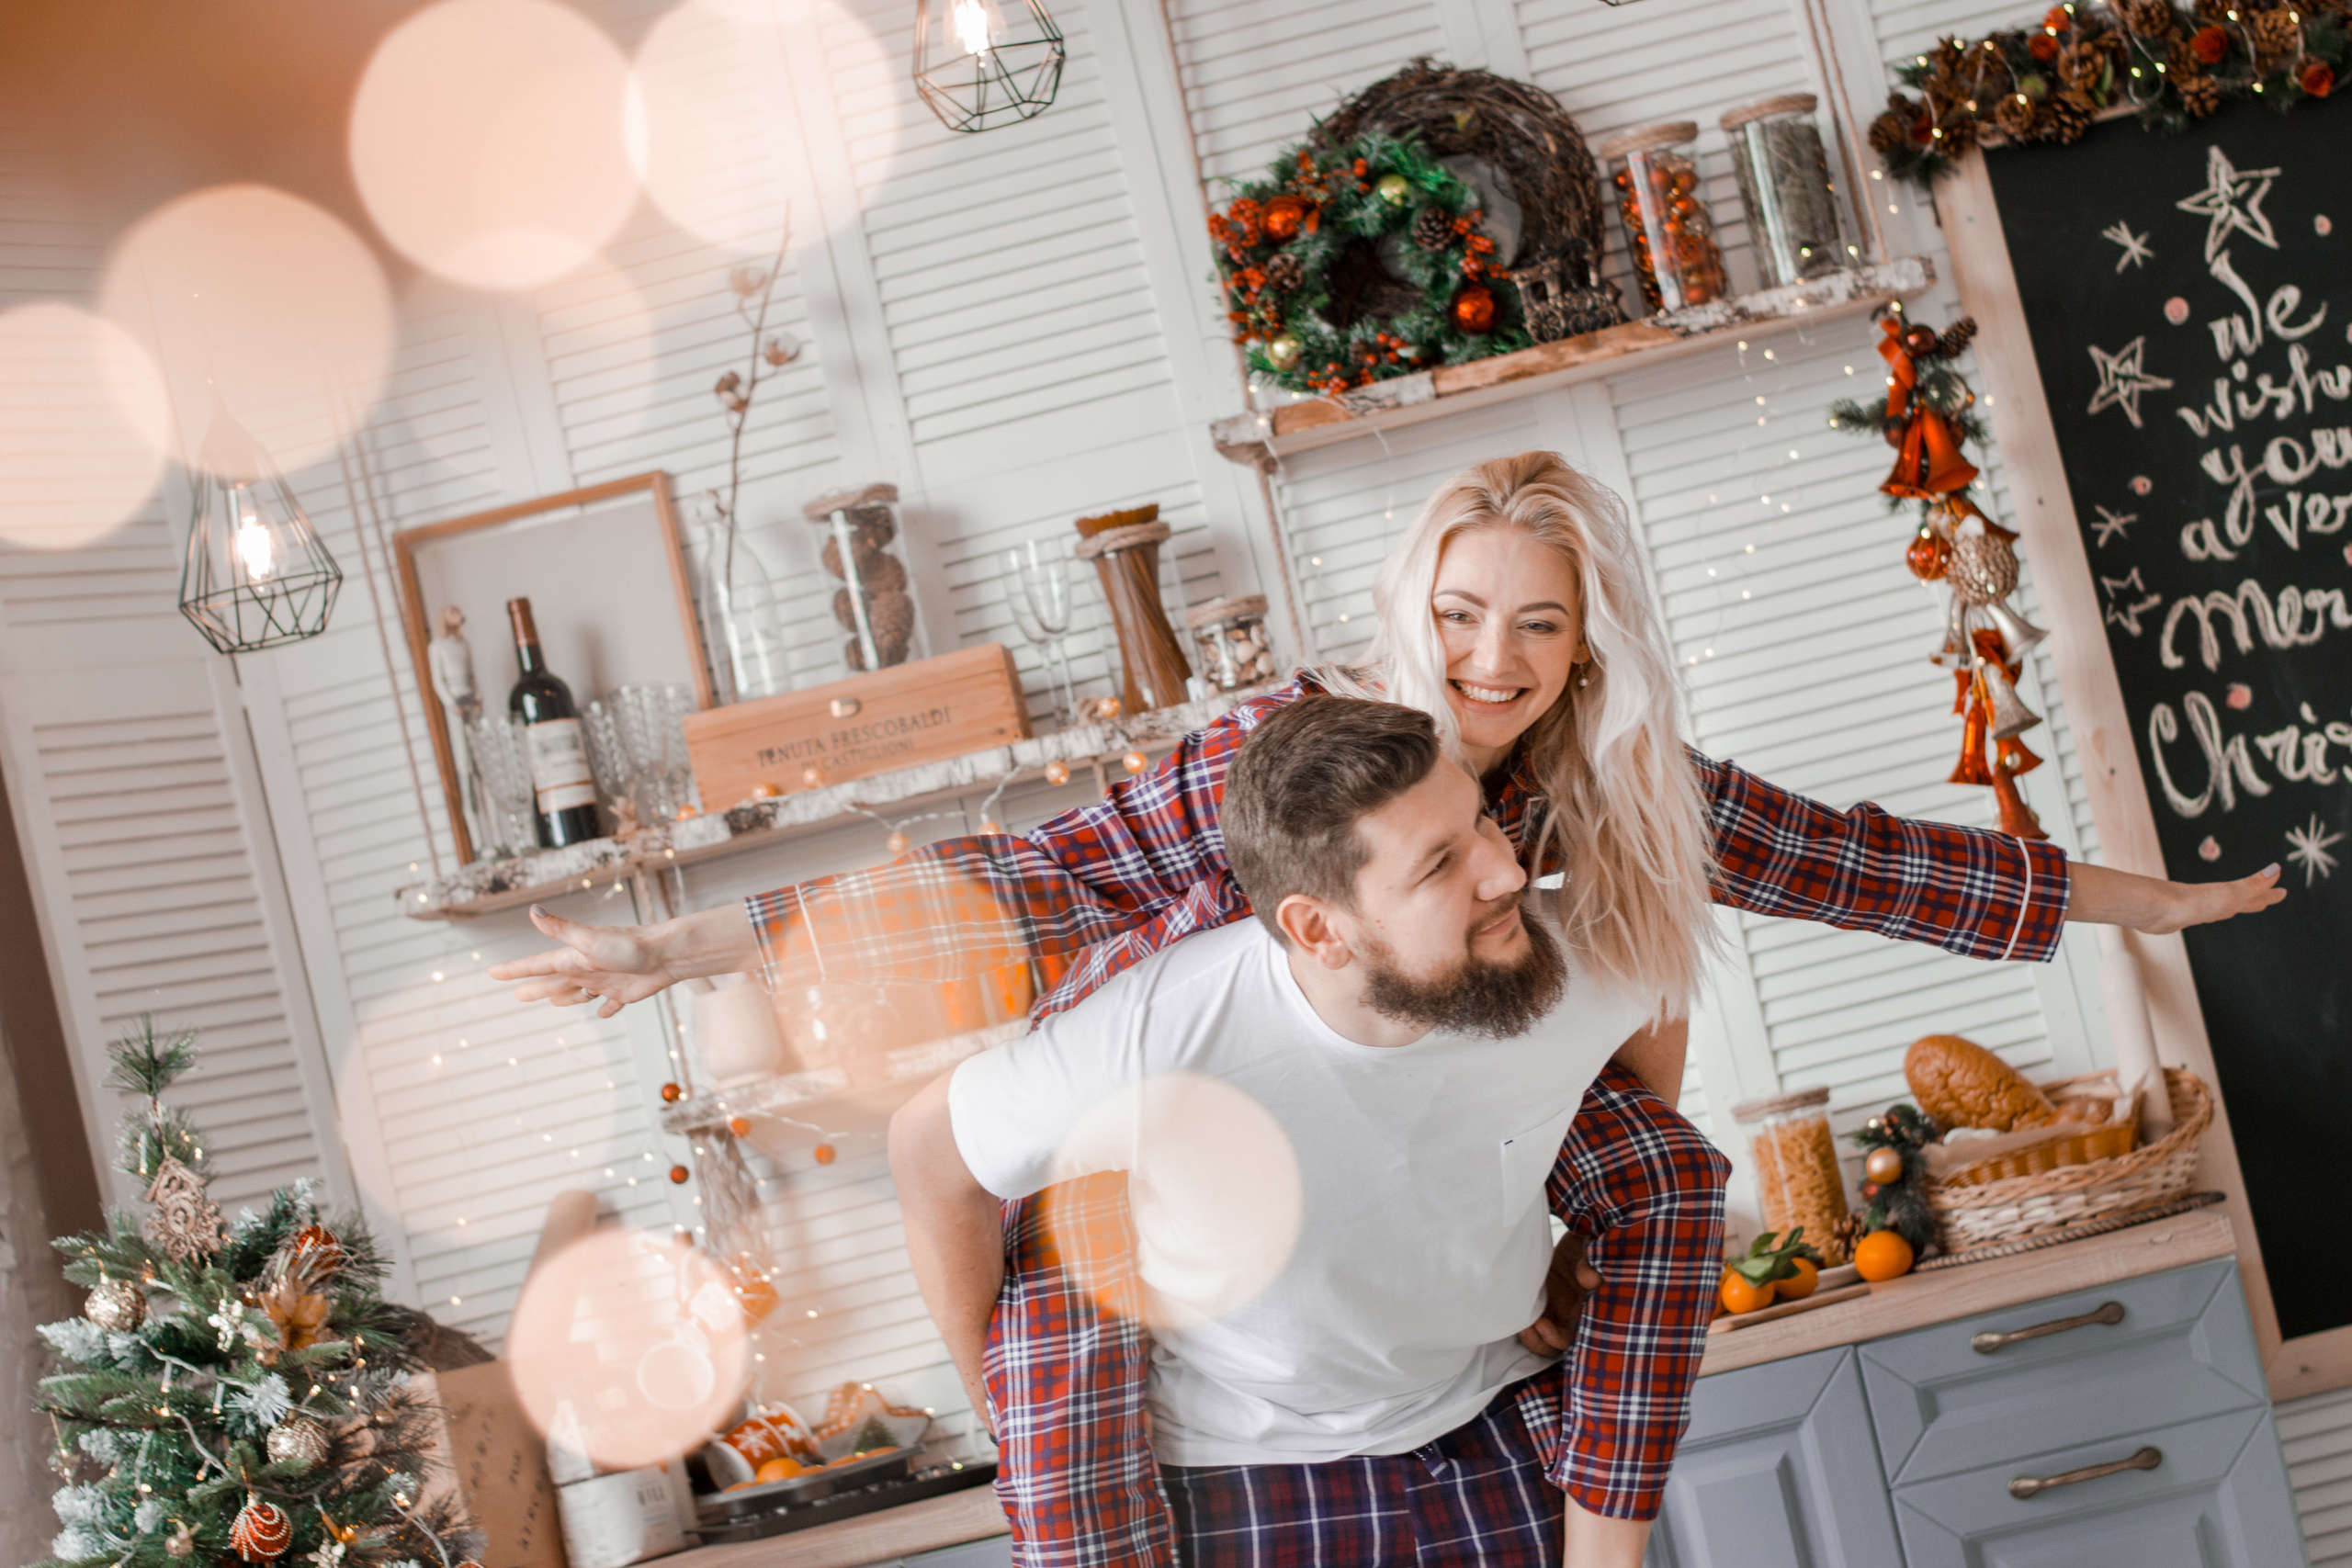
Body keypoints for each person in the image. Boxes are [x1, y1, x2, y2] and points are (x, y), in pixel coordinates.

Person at [492, 453, 2279, 1559]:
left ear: (1585, 643)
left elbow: (1878, 865)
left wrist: (2158, 901)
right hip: (1177, 1148)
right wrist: (685, 949)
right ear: (1411, 606)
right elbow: (1026, 878)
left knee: (1655, 1178)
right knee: (1066, 1360)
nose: (1492, 661)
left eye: (1536, 626)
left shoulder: (1627, 798)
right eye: (1462, 613)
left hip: (1453, 1132)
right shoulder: (1299, 756)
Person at [891, 695, 1675, 1564]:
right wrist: (997, 1404)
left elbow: (1661, 991)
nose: (1506, 872)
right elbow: (928, 1151)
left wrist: (1589, 1239)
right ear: (1317, 928)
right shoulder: (1159, 1034)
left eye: (1482, 822)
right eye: (1440, 863)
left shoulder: (1565, 957)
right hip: (1246, 1463)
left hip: (1498, 1415)